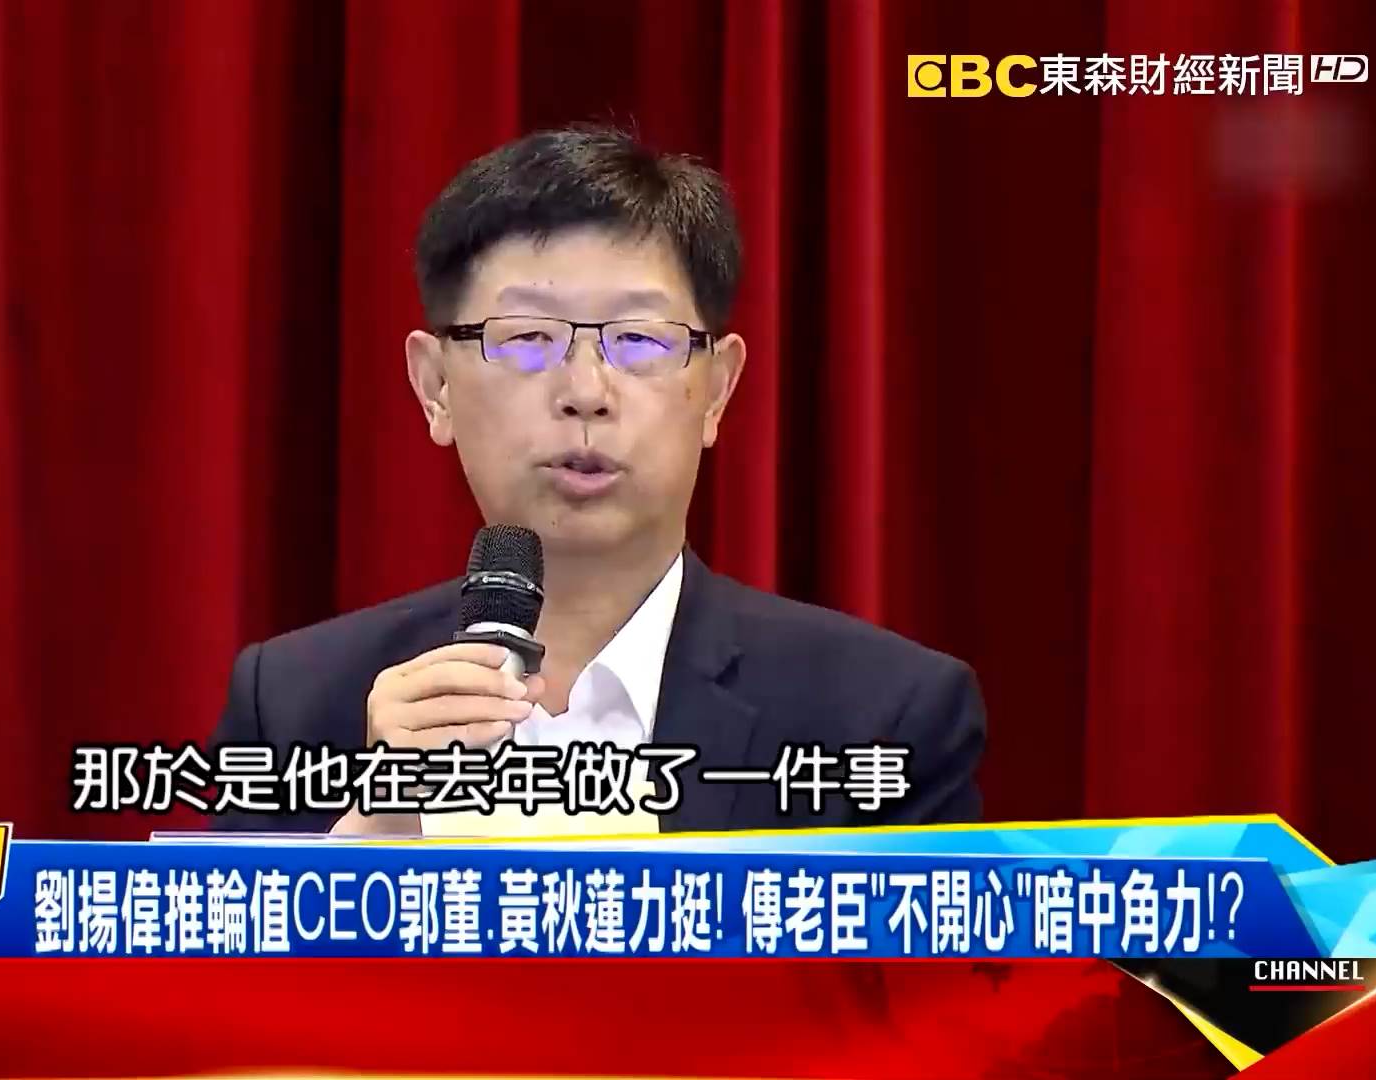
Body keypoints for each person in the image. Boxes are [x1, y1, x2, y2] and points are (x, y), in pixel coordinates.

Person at [210, 127, 984, 834]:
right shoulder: (294, 704)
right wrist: (371, 836)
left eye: (640, 341)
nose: (586, 390)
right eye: (527, 339)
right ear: (435, 386)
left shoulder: (883, 719)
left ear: (717, 390)